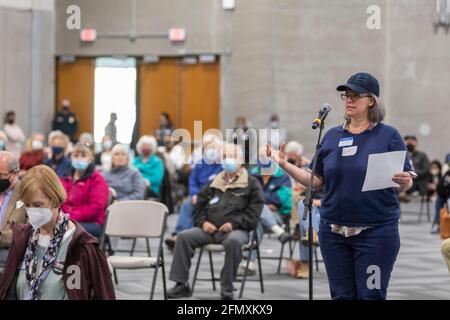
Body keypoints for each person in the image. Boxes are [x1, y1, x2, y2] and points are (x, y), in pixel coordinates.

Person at [267, 72, 415, 300]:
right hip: (333, 232)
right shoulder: (332, 136)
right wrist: (283, 164)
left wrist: (406, 181)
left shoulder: (388, 135)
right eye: (346, 96)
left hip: (375, 233)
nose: (349, 100)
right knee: (341, 296)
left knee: (371, 295)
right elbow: (315, 181)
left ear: (371, 100)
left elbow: (405, 179)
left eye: (355, 96)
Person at [0, 165, 115, 299]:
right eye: (27, 205)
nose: (31, 211)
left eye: (38, 205)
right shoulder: (23, 238)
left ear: (55, 200)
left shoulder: (81, 246)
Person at [167, 143, 264, 300]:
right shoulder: (214, 182)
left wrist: (233, 224)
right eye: (225, 156)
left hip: (236, 231)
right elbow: (198, 206)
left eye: (232, 156)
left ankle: (227, 289)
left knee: (233, 242)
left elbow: (254, 213)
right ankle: (181, 284)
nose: (228, 160)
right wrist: (203, 222)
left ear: (241, 160)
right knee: (183, 237)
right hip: (209, 230)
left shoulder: (252, 184)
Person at [238, 148, 292, 276]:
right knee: (257, 216)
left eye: (267, 156)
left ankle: (248, 262)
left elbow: (281, 199)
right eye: (261, 156)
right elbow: (244, 196)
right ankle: (278, 232)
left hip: (277, 215)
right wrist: (263, 201)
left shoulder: (283, 176)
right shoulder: (250, 174)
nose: (264, 159)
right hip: (254, 214)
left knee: (258, 209)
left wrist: (257, 199)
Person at [165, 135, 223, 250]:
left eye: (213, 148)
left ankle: (184, 238)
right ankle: (178, 234)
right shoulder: (199, 164)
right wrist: (195, 194)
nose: (210, 151)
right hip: (198, 195)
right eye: (207, 148)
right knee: (187, 204)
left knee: (198, 205)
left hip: (214, 196)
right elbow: (192, 181)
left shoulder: (222, 166)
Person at [60, 144, 109, 237]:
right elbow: (58, 201)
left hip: (91, 223)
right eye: (76, 155)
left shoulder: (98, 180)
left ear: (90, 159)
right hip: (66, 219)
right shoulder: (64, 177)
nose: (79, 158)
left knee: (61, 228)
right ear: (71, 158)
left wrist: (70, 216)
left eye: (83, 155)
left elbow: (96, 208)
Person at [0, 151, 27, 270]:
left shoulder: (25, 194)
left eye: (0, 175)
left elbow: (25, 232)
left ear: (15, 174)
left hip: (7, 250)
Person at [401, 135, 430, 201]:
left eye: (412, 140)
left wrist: (411, 173)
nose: (409, 142)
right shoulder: (402, 155)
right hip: (404, 182)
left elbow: (426, 170)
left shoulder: (422, 155)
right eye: (407, 140)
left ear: (416, 142)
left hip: (418, 183)